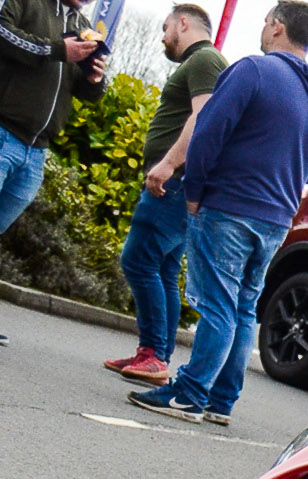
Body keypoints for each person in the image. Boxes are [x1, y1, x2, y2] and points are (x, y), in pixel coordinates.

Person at [127, 0, 308, 427]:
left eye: (266, 22)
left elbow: (208, 131)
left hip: (229, 205)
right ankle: (221, 401)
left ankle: (189, 394)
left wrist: (195, 191)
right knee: (243, 308)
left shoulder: (253, 70)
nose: (263, 29)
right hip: (277, 217)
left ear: (277, 27)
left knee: (217, 305)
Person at [102, 3, 225, 384]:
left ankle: (154, 353)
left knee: (139, 261)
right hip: (183, 183)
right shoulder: (205, 62)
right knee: (165, 270)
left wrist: (169, 164)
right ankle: (156, 354)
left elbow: (203, 117)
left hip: (174, 183)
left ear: (183, 23)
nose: (162, 36)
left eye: (166, 27)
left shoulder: (204, 60)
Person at [0, 0, 109, 346]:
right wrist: (57, 49)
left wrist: (94, 79)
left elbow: (83, 90)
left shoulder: (81, 24)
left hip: (37, 149)